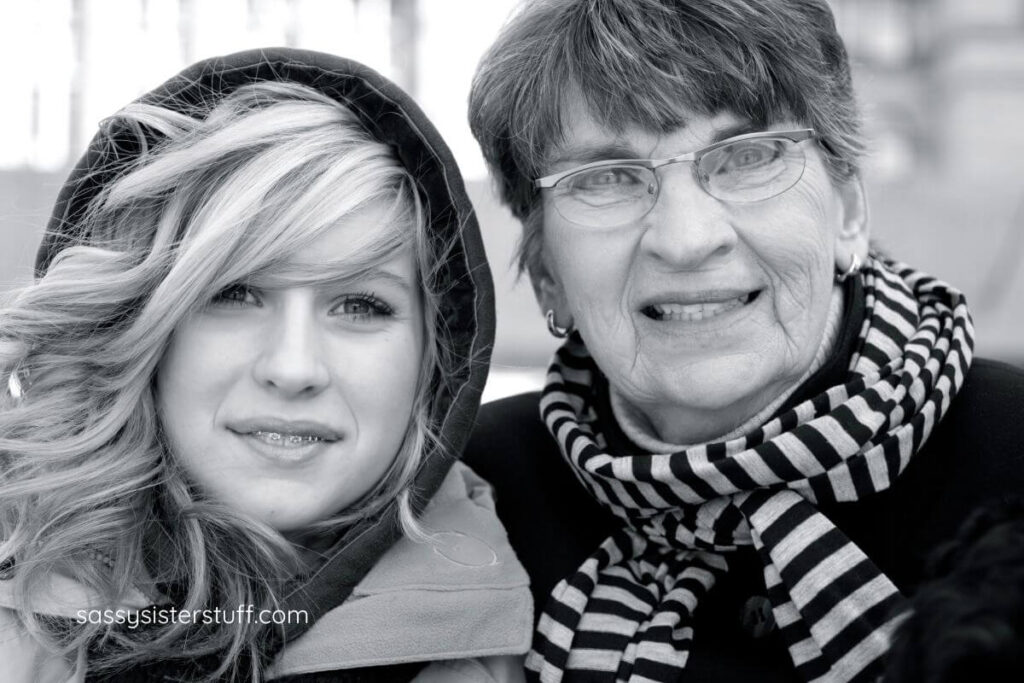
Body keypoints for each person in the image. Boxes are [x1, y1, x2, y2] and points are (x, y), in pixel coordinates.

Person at [464, 1, 1024, 681]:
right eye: (606, 177)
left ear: (847, 208)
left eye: (746, 156)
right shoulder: (472, 498)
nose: (688, 238)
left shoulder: (1010, 452)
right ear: (546, 270)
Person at [0, 48, 530, 682]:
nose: (293, 367)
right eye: (234, 294)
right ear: (141, 325)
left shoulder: (549, 620)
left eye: (360, 305)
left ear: (437, 359)